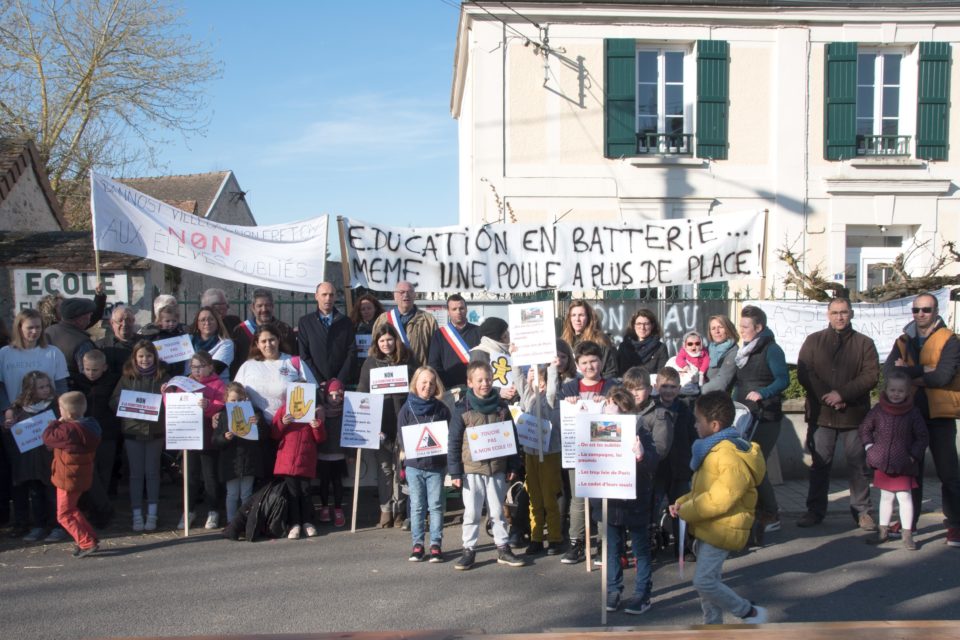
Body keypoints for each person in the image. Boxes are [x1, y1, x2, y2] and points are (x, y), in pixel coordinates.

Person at [670, 391, 769, 625]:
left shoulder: (727, 454)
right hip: (712, 526)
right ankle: (712, 627)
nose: (695, 425)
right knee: (709, 582)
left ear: (714, 425)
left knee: (703, 582)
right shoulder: (714, 448)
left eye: (698, 420)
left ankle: (747, 612)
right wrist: (683, 501)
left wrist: (688, 511)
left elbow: (721, 498)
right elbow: (704, 489)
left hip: (723, 528)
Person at [796, 297, 879, 530]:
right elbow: (805, 372)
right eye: (835, 312)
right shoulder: (814, 341)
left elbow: (870, 376)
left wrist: (842, 395)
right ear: (828, 314)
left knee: (858, 465)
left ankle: (862, 512)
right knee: (820, 465)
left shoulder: (865, 343)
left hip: (854, 415)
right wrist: (828, 396)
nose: (839, 317)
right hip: (822, 414)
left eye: (843, 312)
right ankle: (815, 511)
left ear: (851, 314)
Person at [884, 292, 960, 547]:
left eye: (926, 310)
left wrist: (907, 373)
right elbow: (890, 374)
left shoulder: (950, 340)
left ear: (936, 311)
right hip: (909, 415)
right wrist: (920, 371)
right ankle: (909, 522)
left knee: (948, 473)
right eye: (916, 310)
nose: (921, 314)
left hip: (940, 416)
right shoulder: (904, 339)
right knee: (910, 472)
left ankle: (955, 525)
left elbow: (943, 377)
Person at [448, 361, 526, 570]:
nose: (485, 383)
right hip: (471, 471)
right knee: (472, 513)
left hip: (497, 469)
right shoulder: (462, 409)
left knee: (498, 512)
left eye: (488, 379)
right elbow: (454, 442)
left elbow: (512, 437)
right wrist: (455, 471)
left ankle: (503, 547)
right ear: (470, 382)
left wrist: (513, 465)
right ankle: (469, 550)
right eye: (480, 380)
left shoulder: (501, 408)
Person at [597, 387, 659, 615]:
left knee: (641, 550)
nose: (613, 412)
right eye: (609, 407)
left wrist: (641, 455)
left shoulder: (640, 430)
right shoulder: (598, 431)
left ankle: (643, 593)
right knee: (612, 549)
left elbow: (653, 462)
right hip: (611, 502)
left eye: (619, 410)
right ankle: (614, 589)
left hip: (636, 501)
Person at [559, 340, 618, 565]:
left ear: (601, 361)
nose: (590, 366)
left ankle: (604, 543)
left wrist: (609, 403)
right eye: (584, 362)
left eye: (594, 361)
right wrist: (570, 403)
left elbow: (622, 413)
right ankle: (577, 543)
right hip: (578, 451)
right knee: (578, 497)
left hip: (604, 452)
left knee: (603, 497)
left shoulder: (611, 386)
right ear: (578, 364)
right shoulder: (570, 388)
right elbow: (561, 417)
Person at [733, 305, 788, 534]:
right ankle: (754, 509)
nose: (742, 330)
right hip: (746, 415)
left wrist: (762, 393)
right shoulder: (745, 350)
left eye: (746, 327)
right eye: (741, 325)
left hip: (765, 416)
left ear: (759, 327)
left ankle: (771, 513)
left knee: (757, 464)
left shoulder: (771, 349)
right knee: (745, 463)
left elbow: (783, 379)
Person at [234, 323, 316, 478]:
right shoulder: (247, 366)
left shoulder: (293, 363)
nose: (268, 345)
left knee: (286, 478)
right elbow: (235, 395)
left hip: (289, 431)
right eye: (263, 341)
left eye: (271, 340)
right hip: (259, 431)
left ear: (278, 339)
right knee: (264, 477)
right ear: (257, 344)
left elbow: (311, 392)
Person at [860, 371, 929, 550]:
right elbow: (865, 428)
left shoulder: (913, 413)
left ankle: (907, 534)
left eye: (900, 391)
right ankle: (883, 531)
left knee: (905, 497)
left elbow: (922, 437)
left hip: (905, 463)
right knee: (886, 496)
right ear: (886, 390)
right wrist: (870, 448)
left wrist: (913, 456)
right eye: (892, 390)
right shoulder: (877, 410)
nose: (895, 394)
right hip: (882, 462)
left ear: (907, 393)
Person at [358, 324, 415, 528]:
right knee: (385, 469)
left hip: (403, 423)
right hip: (379, 424)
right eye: (382, 340)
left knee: (401, 468)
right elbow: (362, 392)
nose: (386, 344)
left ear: (396, 340)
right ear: (376, 343)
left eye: (390, 339)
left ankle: (400, 510)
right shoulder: (370, 364)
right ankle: (385, 510)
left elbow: (417, 389)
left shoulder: (408, 361)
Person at [110, 340, 169, 532]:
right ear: (134, 358)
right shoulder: (127, 377)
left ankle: (153, 513)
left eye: (149, 356)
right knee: (135, 475)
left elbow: (173, 401)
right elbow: (114, 401)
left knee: (152, 473)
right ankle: (137, 514)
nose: (145, 360)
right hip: (132, 432)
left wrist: (167, 394)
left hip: (156, 432)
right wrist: (129, 405)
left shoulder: (163, 376)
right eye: (141, 356)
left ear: (155, 357)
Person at [166, 351, 226, 530]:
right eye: (193, 367)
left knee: (210, 476)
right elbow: (173, 405)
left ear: (210, 367)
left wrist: (209, 406)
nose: (197, 370)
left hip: (208, 436)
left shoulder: (218, 384)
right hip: (188, 435)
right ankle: (189, 510)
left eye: (201, 367)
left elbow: (222, 405)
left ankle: (213, 510)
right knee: (190, 476)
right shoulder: (184, 383)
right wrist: (167, 392)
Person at [397, 366, 451, 562]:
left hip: (436, 466)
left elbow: (447, 436)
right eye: (424, 382)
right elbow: (402, 436)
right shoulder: (406, 408)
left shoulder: (442, 409)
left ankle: (436, 544)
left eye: (431, 383)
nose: (427, 386)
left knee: (436, 505)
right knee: (418, 506)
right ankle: (417, 545)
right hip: (414, 466)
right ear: (415, 383)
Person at [2, 371, 62, 542]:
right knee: (35, 494)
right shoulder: (18, 409)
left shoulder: (56, 405)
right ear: (30, 390)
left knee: (52, 494)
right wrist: (7, 426)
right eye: (41, 387)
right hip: (29, 461)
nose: (45, 390)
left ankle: (57, 526)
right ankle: (38, 526)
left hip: (50, 459)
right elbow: (12, 433)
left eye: (47, 386)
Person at [42, 391, 101, 558]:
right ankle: (89, 537)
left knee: (63, 514)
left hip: (67, 477)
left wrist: (55, 422)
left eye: (60, 408)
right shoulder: (91, 425)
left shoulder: (67, 430)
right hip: (79, 475)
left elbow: (47, 437)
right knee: (72, 509)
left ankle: (86, 542)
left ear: (66, 412)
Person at [515, 357, 563, 556]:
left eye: (541, 384)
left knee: (549, 497)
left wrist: (552, 367)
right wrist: (516, 359)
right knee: (534, 497)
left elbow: (552, 388)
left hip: (550, 454)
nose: (539, 387)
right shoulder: (528, 397)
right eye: (536, 383)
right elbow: (518, 380)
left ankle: (554, 538)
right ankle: (536, 537)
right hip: (531, 454)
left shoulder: (551, 400)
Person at [271, 381, 325, 540]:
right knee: (292, 493)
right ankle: (294, 523)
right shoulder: (284, 410)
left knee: (306, 492)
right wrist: (283, 423)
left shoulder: (312, 412)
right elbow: (274, 434)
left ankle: (307, 522)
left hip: (306, 459)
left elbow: (320, 439)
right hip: (287, 461)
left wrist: (316, 426)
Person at [72, 350, 119, 527]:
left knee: (104, 474)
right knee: (89, 475)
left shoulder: (113, 381)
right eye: (87, 369)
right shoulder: (76, 382)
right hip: (83, 436)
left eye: (95, 370)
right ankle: (91, 509)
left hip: (107, 434)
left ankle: (102, 513)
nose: (91, 373)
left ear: (104, 367)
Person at [212, 382, 266, 524]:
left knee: (246, 494)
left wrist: (258, 423)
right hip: (231, 462)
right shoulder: (223, 415)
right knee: (232, 494)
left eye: (240, 400)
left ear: (246, 399)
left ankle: (245, 522)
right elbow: (215, 441)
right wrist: (225, 437)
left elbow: (264, 435)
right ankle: (231, 522)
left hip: (249, 461)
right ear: (226, 400)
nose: (237, 403)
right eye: (233, 400)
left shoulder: (254, 414)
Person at [0, 308, 69, 408]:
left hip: (47, 413)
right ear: (19, 328)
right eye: (30, 328)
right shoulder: (4, 353)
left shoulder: (54, 352)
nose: (34, 331)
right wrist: (6, 410)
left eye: (38, 327)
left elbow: (61, 387)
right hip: (15, 413)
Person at [297, 282, 355, 386]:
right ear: (316, 296)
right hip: (315, 383)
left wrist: (339, 380)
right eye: (324, 294)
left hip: (340, 385)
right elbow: (304, 355)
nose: (328, 298)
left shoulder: (346, 322)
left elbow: (351, 352)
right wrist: (319, 380)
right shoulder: (305, 322)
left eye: (331, 295)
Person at [230, 289, 297, 378]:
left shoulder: (285, 330)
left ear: (273, 306)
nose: (264, 309)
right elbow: (235, 362)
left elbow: (293, 357)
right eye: (259, 306)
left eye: (267, 305)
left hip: (279, 377)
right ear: (253, 307)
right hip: (251, 378)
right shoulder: (240, 330)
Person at [371, 281, 437, 369]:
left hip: (418, 374)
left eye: (410, 292)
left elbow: (435, 353)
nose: (406, 295)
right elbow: (375, 348)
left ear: (414, 295)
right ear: (395, 296)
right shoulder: (382, 320)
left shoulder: (428, 320)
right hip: (391, 374)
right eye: (401, 292)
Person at [428, 294, 481, 393]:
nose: (458, 312)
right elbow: (434, 365)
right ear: (448, 312)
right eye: (454, 309)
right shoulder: (439, 335)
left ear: (466, 309)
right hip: (450, 390)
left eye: (461, 308)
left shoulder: (478, 331)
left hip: (476, 388)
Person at [315, 379, 347, 527]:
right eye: (331, 395)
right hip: (323, 453)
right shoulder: (320, 412)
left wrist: (351, 454)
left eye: (338, 395)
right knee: (324, 482)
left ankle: (338, 509)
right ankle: (324, 508)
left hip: (339, 454)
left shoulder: (346, 412)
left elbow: (351, 433)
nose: (334, 399)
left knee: (337, 483)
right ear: (325, 396)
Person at [44, 297, 98, 383]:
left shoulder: (48, 331)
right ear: (80, 320)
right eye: (89, 316)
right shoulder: (82, 343)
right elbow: (90, 376)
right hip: (74, 391)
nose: (90, 319)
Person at [561, 299, 617, 379]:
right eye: (573, 315)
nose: (577, 319)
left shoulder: (600, 340)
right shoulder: (565, 342)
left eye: (581, 315)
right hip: (571, 389)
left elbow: (610, 372)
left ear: (588, 317)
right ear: (569, 318)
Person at [470, 317, 517, 403]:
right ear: (501, 336)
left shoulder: (506, 350)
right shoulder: (479, 352)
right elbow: (477, 382)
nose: (508, 333)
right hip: (488, 404)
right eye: (505, 331)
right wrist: (499, 391)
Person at [617, 309, 669, 378]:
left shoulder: (660, 348)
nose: (642, 328)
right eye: (639, 324)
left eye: (646, 324)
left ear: (652, 326)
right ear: (633, 326)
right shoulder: (624, 347)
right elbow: (619, 373)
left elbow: (662, 375)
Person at [187, 306, 235, 382]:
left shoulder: (226, 343)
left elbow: (213, 370)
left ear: (217, 322)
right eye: (203, 320)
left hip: (217, 389)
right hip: (188, 388)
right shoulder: (187, 341)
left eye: (211, 319)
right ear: (197, 324)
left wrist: (188, 379)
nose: (207, 323)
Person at [347, 293, 385, 385]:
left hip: (377, 366)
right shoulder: (352, 327)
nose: (366, 311)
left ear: (375, 309)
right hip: (357, 369)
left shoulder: (383, 326)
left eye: (369, 308)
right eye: (363, 309)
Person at [701, 315, 739, 394]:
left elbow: (722, 381)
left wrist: (699, 390)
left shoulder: (733, 351)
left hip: (717, 398)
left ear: (728, 329)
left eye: (720, 327)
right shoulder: (708, 349)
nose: (716, 331)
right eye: (713, 328)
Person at [97, 306, 137, 374]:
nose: (124, 324)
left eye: (128, 320)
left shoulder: (144, 343)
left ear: (133, 321)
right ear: (112, 323)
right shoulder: (101, 346)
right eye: (120, 320)